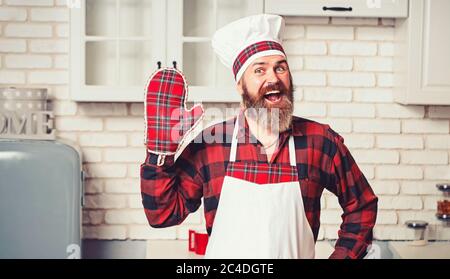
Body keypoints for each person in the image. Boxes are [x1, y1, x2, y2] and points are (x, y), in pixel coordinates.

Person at [141, 14, 378, 259]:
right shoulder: (212, 142)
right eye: (259, 70)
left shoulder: (321, 142)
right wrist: (160, 154)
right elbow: (162, 215)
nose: (273, 78)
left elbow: (362, 205)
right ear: (240, 85)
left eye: (280, 67)